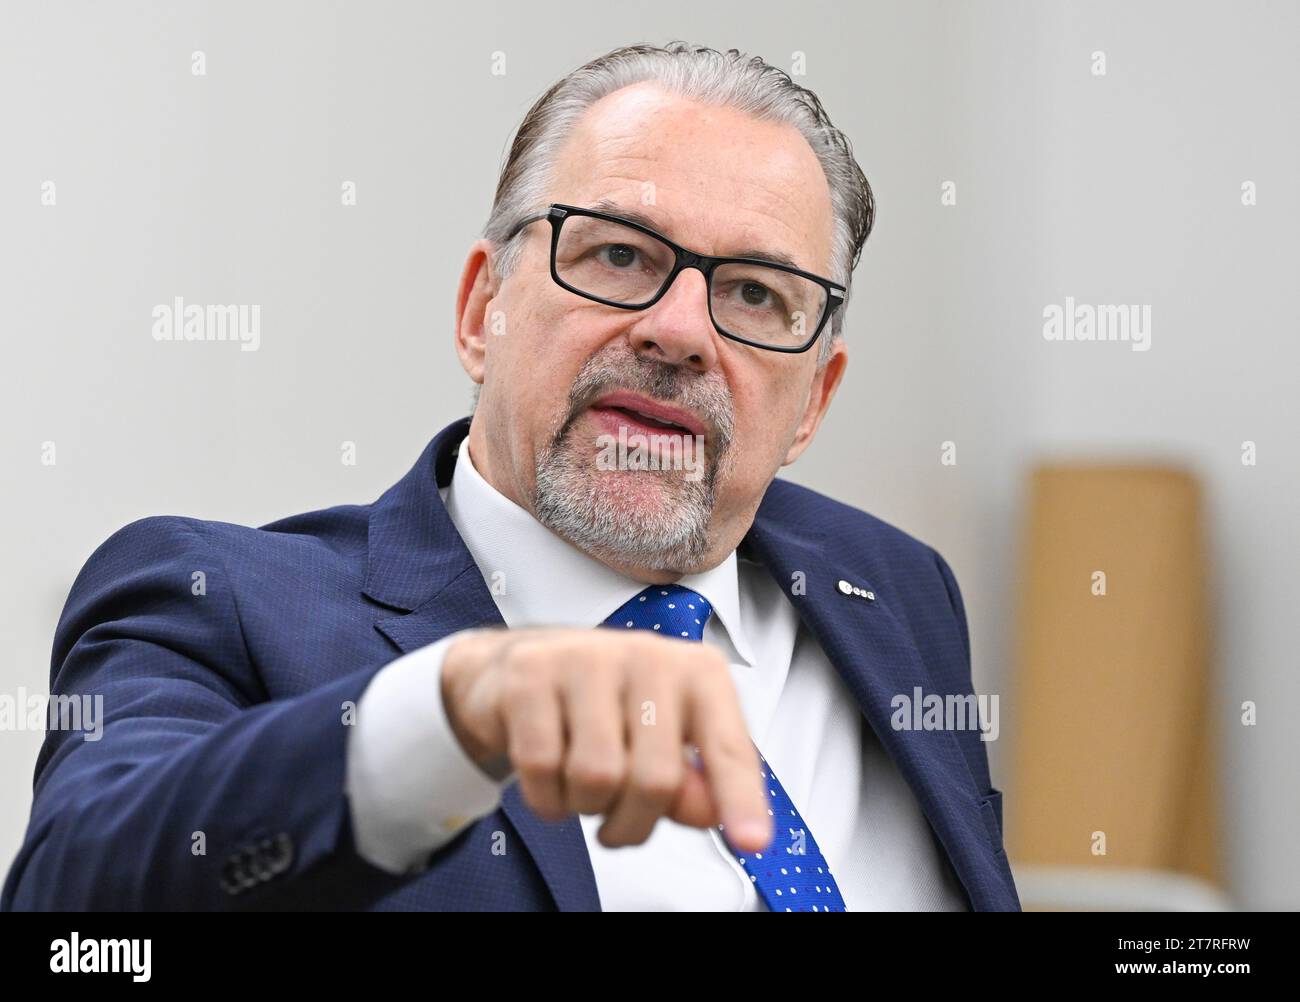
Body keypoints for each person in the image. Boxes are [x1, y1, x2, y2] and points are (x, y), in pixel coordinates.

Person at [2, 42, 1019, 911]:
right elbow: (76, 901)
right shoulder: (221, 600)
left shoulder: (893, 587)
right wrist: (460, 708)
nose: (677, 330)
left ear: (813, 400)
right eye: (618, 254)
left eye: (756, 293)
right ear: (480, 308)